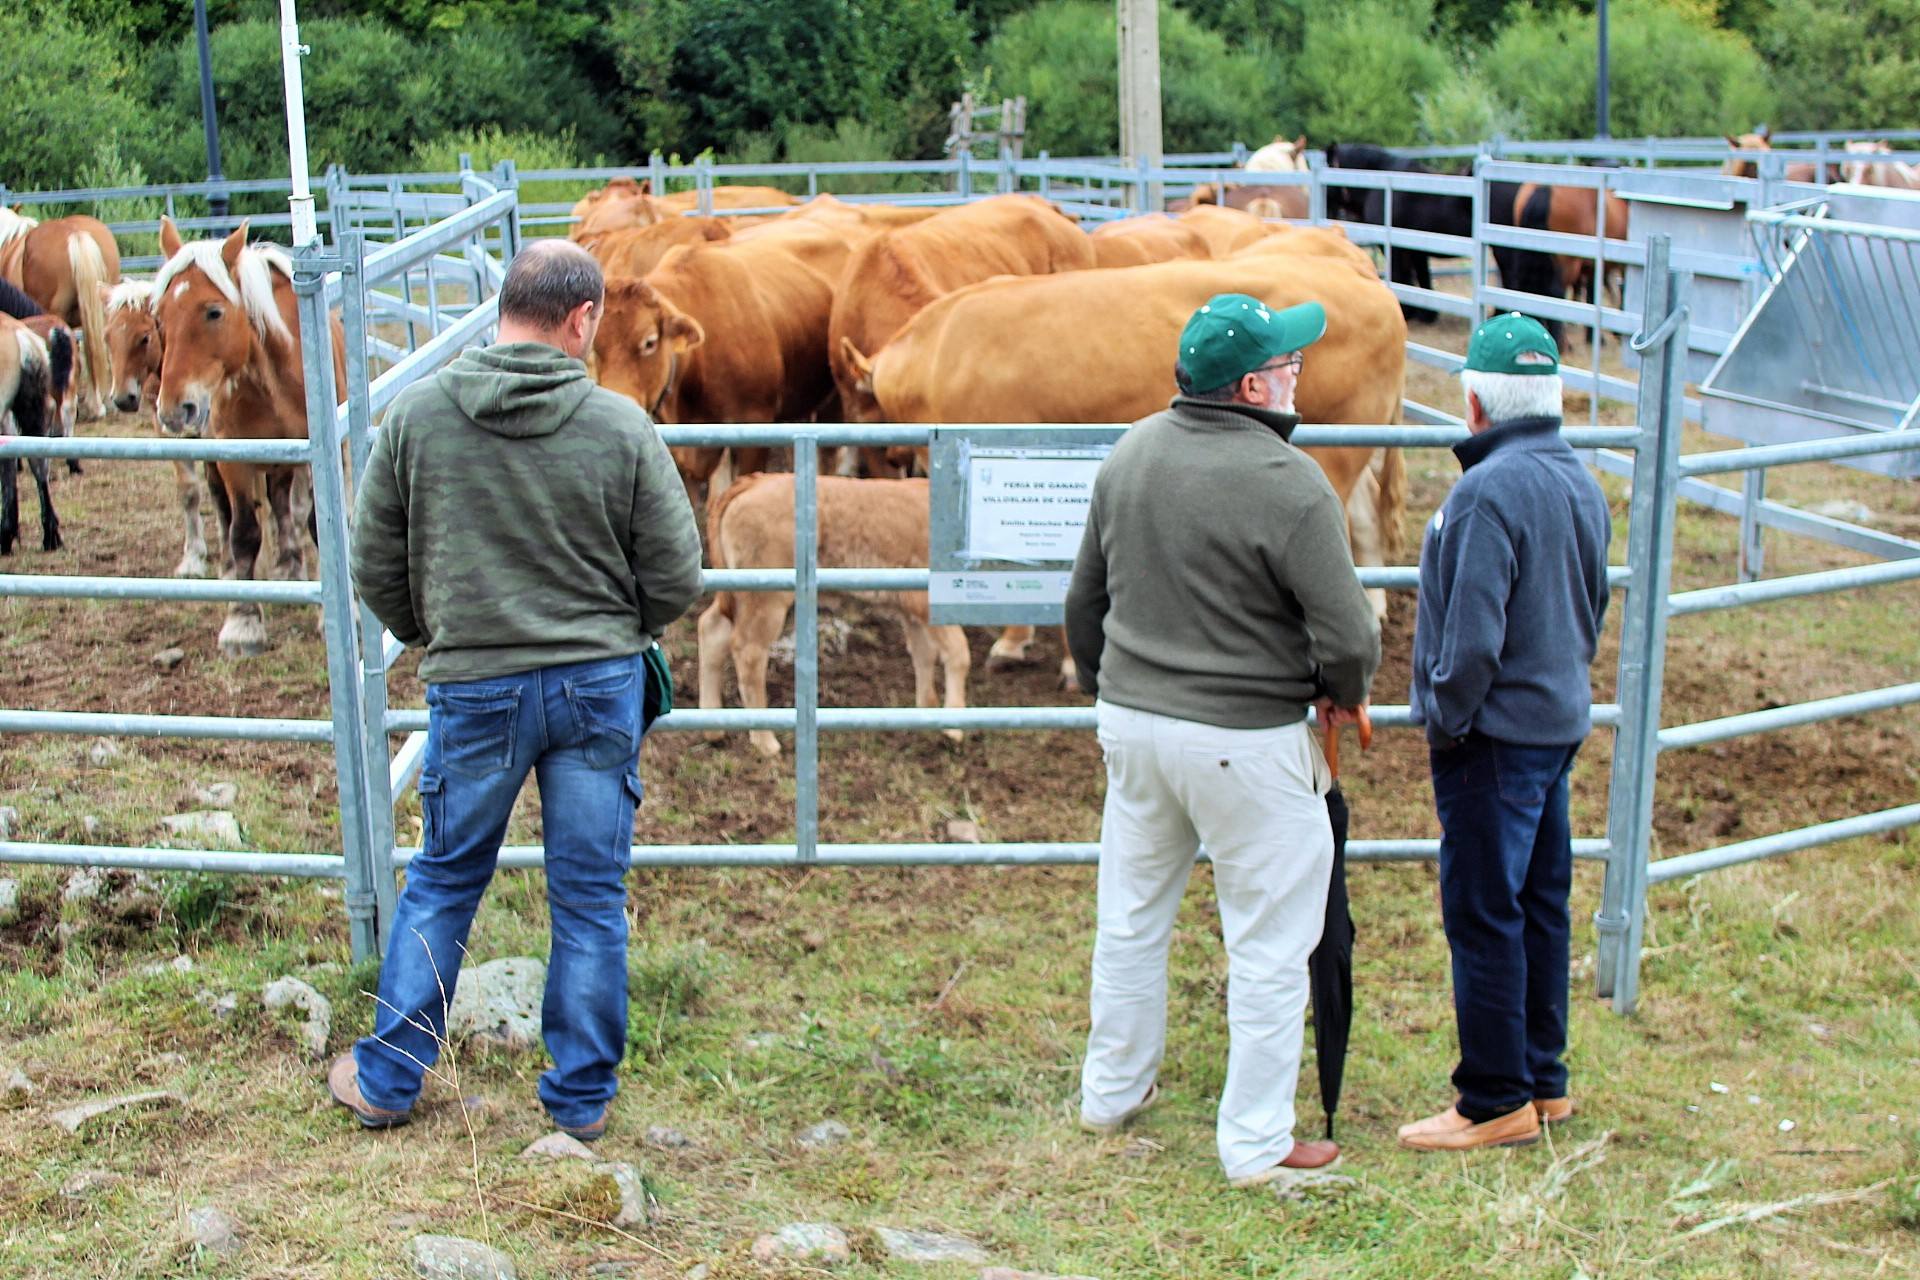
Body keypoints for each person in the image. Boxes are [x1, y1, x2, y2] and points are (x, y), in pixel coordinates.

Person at [328, 239, 704, 1141]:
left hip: (477, 687)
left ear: (505, 308)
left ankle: (387, 1078)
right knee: (588, 895)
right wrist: (620, 631)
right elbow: (677, 576)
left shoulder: (419, 418)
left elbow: (372, 559)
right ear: (582, 321)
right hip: (595, 687)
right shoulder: (620, 427)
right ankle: (579, 1098)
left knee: (445, 880)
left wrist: (435, 631)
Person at [1064, 293, 1380, 1190]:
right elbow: (1350, 636)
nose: (1298, 376)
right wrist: (1339, 695)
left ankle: (1110, 1093)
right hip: (1246, 734)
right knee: (1273, 941)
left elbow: (1082, 604)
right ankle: (1253, 1143)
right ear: (1252, 386)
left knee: (1130, 919)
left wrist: (1113, 688)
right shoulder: (1289, 482)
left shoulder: (1129, 453)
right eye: (1287, 366)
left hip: (1136, 726)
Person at [1399, 314, 1612, 1152]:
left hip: (1492, 737)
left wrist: (1449, 716)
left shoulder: (1484, 494)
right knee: (1540, 903)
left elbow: (1473, 638)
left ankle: (1493, 1100)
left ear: (1477, 406)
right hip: (1556, 723)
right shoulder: (1579, 481)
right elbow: (1592, 602)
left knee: (1484, 910)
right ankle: (1542, 1079)